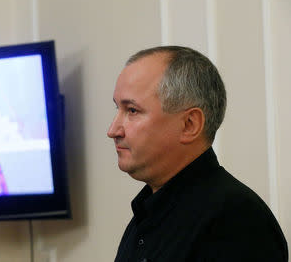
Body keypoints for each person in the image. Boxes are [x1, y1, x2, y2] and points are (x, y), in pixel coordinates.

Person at [107, 46, 288, 261]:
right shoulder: (148, 213)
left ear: (189, 125)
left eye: (132, 111)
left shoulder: (234, 220)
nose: (113, 130)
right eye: (117, 108)